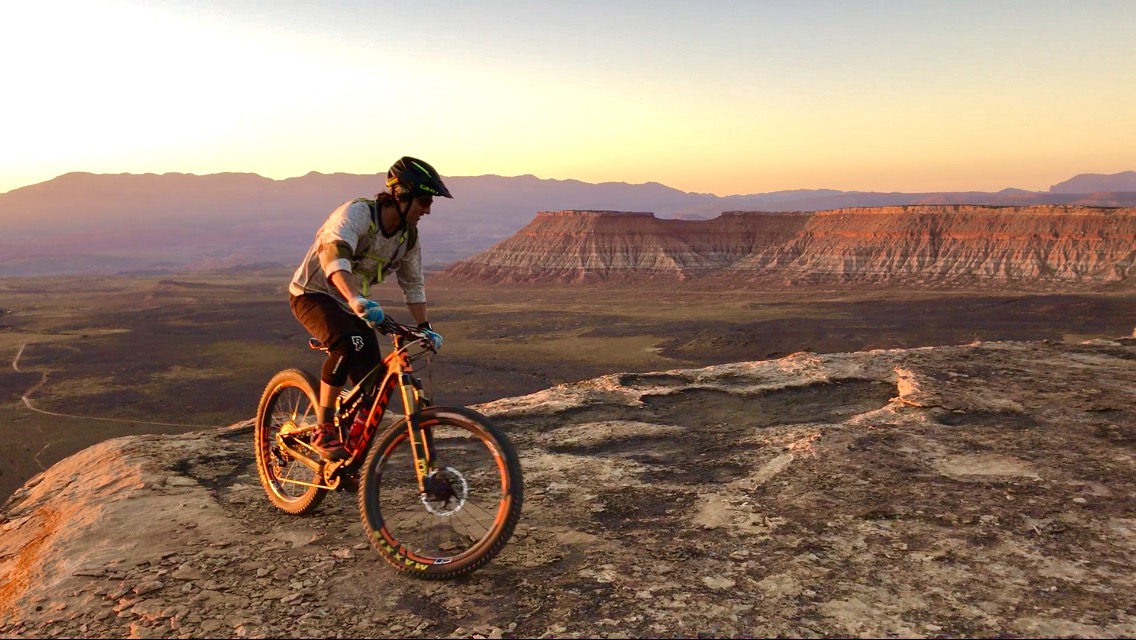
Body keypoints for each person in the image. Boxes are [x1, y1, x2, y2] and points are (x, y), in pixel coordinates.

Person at [288, 156, 450, 461]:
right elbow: (335, 254)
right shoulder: (357, 214)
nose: (428, 209)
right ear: (400, 195)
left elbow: (413, 284)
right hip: (314, 294)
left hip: (356, 305)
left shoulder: (407, 237)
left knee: (373, 385)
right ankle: (324, 428)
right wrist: (353, 298)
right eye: (424, 200)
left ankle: (347, 455)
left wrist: (425, 327)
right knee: (348, 343)